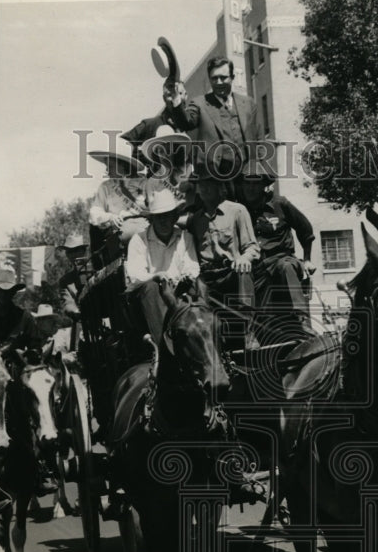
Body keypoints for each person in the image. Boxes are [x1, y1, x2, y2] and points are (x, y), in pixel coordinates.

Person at [238, 159, 316, 340]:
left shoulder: (280, 204)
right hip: (256, 266)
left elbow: (306, 230)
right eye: (246, 183)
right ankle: (248, 329)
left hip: (281, 259)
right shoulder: (239, 210)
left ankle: (301, 319)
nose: (250, 188)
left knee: (286, 266)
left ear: (264, 185)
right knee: (242, 272)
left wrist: (307, 259)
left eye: (255, 183)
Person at [186, 160, 260, 348]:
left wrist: (244, 258)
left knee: (243, 272)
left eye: (210, 184)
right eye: (201, 185)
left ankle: (248, 330)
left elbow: (252, 246)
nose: (205, 189)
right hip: (206, 276)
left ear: (221, 187)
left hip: (230, 272)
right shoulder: (195, 220)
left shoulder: (237, 210)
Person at [165, 56, 261, 198]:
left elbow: (256, 140)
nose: (218, 82)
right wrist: (175, 97)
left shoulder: (248, 104)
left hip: (245, 179)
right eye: (214, 78)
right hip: (215, 181)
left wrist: (261, 172)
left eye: (223, 77)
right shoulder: (199, 103)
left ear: (233, 77)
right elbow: (185, 123)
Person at [123, 178, 201, 349]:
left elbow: (192, 265)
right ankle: (164, 349)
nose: (164, 222)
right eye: (159, 218)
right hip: (149, 297)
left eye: (168, 216)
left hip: (177, 292)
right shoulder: (139, 240)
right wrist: (156, 276)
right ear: (152, 220)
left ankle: (201, 342)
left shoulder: (185, 237)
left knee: (198, 285)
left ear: (174, 217)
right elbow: (135, 276)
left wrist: (187, 275)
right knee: (151, 287)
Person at [87, 139, 149, 269]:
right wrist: (111, 217)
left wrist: (127, 215)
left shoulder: (143, 183)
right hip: (115, 234)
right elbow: (94, 213)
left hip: (141, 227)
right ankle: (101, 268)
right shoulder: (106, 187)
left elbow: (149, 206)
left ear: (123, 165)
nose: (107, 169)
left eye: (110, 165)